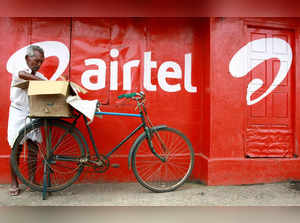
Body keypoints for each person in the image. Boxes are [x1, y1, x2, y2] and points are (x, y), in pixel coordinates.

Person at [7, 45, 47, 196]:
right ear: (27, 58)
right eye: (36, 60)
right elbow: (23, 75)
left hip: (33, 113)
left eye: (41, 61)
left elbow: (48, 85)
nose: (38, 64)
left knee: (33, 149)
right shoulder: (20, 69)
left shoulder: (40, 76)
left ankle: (31, 180)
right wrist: (39, 80)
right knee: (16, 148)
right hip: (18, 113)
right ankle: (14, 182)